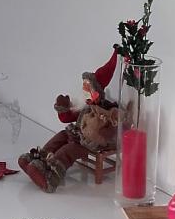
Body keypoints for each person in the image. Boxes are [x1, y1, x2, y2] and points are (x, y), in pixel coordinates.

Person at [18, 52, 118, 192]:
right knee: (61, 136)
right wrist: (63, 108)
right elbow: (66, 118)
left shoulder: (104, 110)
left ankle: (51, 178)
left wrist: (103, 132)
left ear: (97, 91)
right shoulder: (85, 106)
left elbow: (109, 129)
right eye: (84, 86)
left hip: (89, 143)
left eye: (88, 87)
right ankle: (39, 159)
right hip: (77, 134)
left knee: (68, 150)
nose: (84, 90)